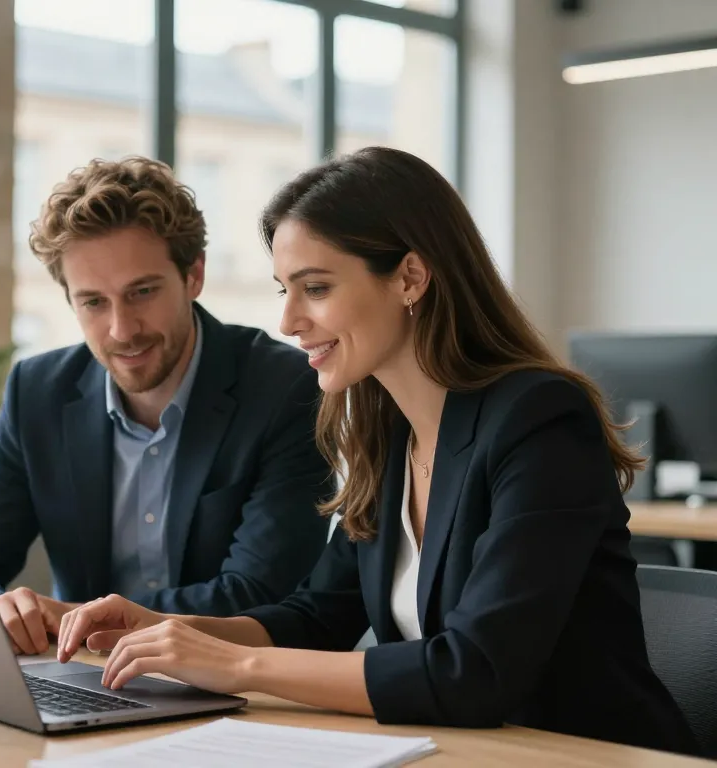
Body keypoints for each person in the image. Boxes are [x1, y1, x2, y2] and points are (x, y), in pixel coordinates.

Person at [53, 147, 699, 756]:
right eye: (285, 290)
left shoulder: (538, 421)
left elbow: (475, 671)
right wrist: (168, 631)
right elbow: (316, 617)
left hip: (588, 759)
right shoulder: (390, 431)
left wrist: (236, 665)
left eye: (316, 288)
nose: (289, 322)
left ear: (410, 277)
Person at [0, 156, 334, 658]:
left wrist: (74, 619)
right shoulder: (37, 391)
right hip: (85, 676)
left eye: (143, 292)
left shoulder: (285, 386)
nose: (122, 329)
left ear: (193, 275)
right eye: (93, 302)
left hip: (231, 685)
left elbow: (259, 593)